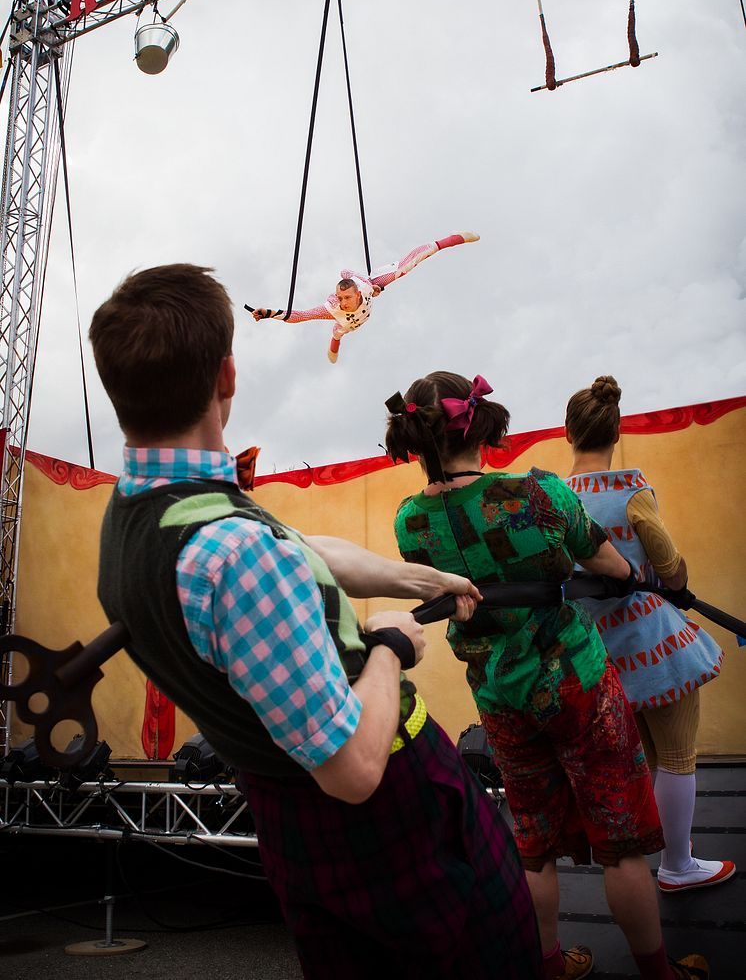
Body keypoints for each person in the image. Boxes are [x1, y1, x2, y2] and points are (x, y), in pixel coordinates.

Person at [88, 264, 543, 980]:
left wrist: (422, 577)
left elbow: (293, 550)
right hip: (392, 824)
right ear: (227, 376)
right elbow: (353, 768)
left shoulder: (141, 512)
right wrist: (390, 644)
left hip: (295, 827)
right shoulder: (233, 556)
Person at [385, 370, 709, 980]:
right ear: (480, 423)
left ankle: (551, 965)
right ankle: (660, 972)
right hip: (577, 682)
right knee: (622, 841)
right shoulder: (538, 493)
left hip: (499, 694)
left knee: (532, 843)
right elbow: (608, 562)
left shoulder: (412, 523)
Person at [565, 375, 734, 895]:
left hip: (595, 649)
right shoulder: (630, 491)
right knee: (678, 756)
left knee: (644, 759)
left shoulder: (550, 498)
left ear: (569, 433)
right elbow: (669, 563)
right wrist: (676, 581)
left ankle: (647, 860)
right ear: (616, 435)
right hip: (652, 640)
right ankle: (678, 866)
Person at [250, 232, 478, 363]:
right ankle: (335, 341)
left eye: (346, 297)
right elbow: (300, 316)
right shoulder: (334, 308)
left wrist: (373, 288)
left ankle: (452, 239)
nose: (342, 302)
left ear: (356, 293)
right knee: (340, 329)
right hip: (348, 322)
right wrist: (269, 313)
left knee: (405, 267)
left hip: (365, 295)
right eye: (340, 298)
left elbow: (350, 273)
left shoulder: (365, 286)